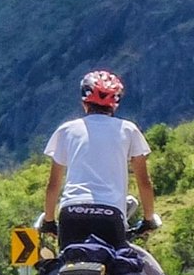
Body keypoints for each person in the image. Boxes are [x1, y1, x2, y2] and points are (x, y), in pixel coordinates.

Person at [41, 69, 158, 250]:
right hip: (110, 214)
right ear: (115, 104)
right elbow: (144, 182)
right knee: (131, 269)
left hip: (71, 213)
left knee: (64, 265)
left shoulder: (66, 130)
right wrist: (149, 219)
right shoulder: (129, 130)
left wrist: (49, 220)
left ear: (84, 102)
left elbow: (53, 185)